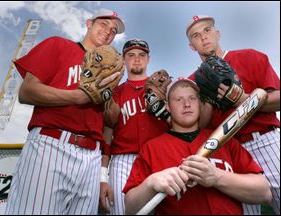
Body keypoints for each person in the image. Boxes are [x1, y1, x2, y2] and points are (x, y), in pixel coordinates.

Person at [5, 8, 125, 215]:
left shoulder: (109, 71)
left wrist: (109, 94)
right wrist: (77, 97)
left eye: (114, 30)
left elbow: (111, 121)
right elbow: (26, 92)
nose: (108, 31)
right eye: (103, 24)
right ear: (89, 23)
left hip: (92, 156)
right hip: (51, 145)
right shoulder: (58, 45)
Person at [123, 77, 272, 215]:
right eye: (178, 99)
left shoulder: (226, 142)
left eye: (192, 98)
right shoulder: (151, 149)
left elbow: (264, 193)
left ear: (200, 104)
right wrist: (150, 184)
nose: (186, 104)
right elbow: (129, 208)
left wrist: (217, 177)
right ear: (168, 107)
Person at [186, 15, 280, 215]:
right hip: (228, 153)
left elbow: (278, 98)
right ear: (192, 46)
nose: (203, 37)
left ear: (217, 33)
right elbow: (198, 126)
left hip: (265, 142)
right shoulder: (192, 81)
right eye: (195, 35)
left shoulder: (250, 56)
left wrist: (243, 100)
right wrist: (209, 100)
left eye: (207, 30)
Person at [99, 38, 169, 215]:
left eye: (141, 55)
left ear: (148, 59)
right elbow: (107, 135)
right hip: (124, 161)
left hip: (161, 158)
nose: (137, 59)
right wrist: (102, 177)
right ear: (123, 59)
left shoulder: (165, 89)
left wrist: (167, 109)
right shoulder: (115, 92)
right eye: (131, 55)